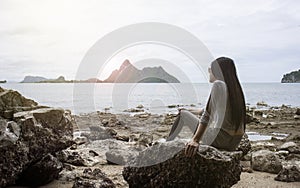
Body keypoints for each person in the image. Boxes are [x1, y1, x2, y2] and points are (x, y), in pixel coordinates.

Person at [166, 57, 246, 157]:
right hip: (234, 142)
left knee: (182, 115)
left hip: (221, 140)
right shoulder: (235, 88)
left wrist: (195, 140)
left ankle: (166, 144)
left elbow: (207, 115)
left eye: (210, 69)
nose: (209, 71)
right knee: (184, 112)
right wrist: (188, 110)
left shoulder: (218, 85)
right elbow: (206, 111)